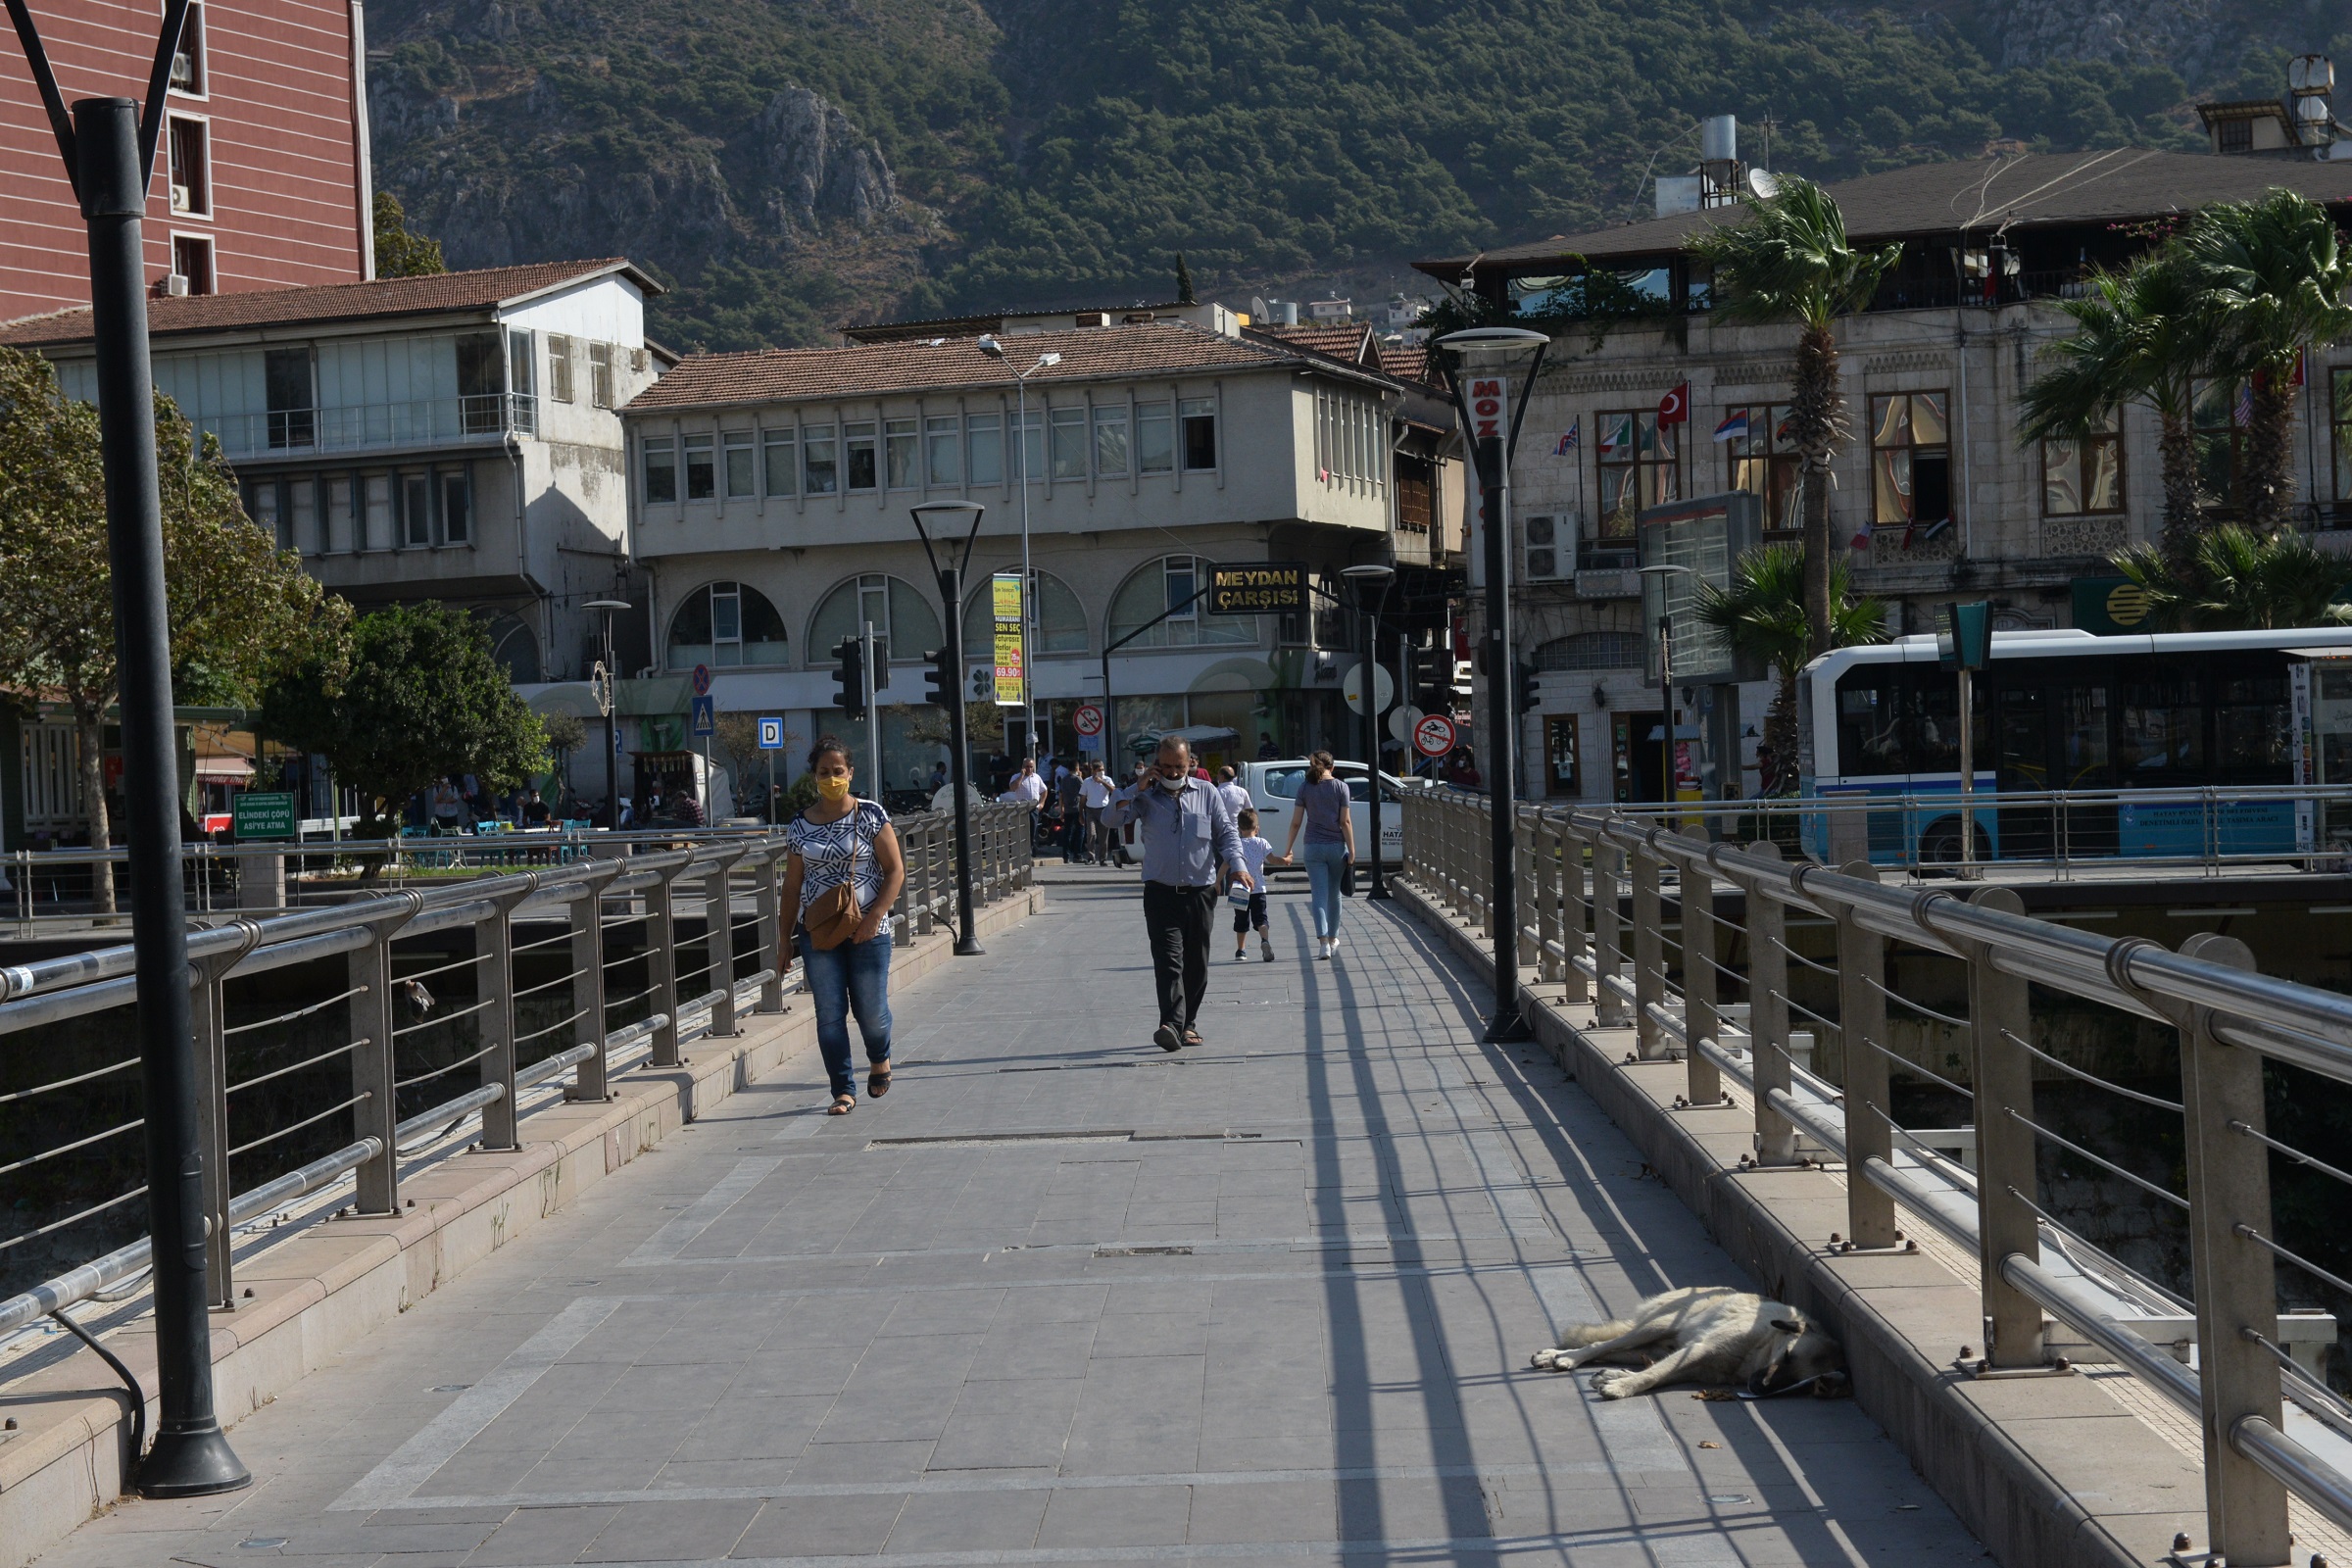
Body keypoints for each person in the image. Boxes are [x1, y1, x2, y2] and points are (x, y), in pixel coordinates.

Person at [780, 736, 906, 1115]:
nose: (831, 778)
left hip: (868, 930)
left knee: (870, 1010)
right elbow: (791, 887)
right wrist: (783, 940)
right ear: (814, 776)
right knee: (830, 1013)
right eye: (824, 772)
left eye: (838, 771)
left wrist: (874, 918)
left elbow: (895, 870)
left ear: (850, 773)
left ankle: (879, 1058)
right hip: (818, 932)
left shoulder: (870, 814)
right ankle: (843, 1090)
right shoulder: (800, 826)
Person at [1102, 736, 1252, 1052]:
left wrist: (1238, 866)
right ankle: (1170, 1023)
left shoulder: (1208, 793)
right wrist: (1135, 788)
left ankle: (1188, 1024)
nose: (1172, 773)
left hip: (1200, 891)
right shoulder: (1145, 796)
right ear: (1157, 764)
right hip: (1160, 892)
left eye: (1179, 767)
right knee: (1169, 962)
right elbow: (1110, 819)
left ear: (1190, 765)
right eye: (1166, 766)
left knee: (1196, 963)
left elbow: (1225, 834)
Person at [1278, 750, 1355, 960]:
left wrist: (1288, 848)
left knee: (1318, 894)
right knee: (1334, 893)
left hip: (1312, 846)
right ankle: (1333, 938)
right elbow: (1345, 822)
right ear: (1333, 766)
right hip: (1336, 846)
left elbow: (1296, 822)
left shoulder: (1305, 788)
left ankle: (1323, 945)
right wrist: (1352, 849)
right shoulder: (1341, 787)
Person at [1227, 807, 1285, 962]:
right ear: (1257, 828)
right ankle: (1265, 941)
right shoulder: (1261, 842)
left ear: (1239, 829)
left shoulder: (1236, 844)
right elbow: (1272, 860)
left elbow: (1226, 864)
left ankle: (1241, 950)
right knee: (1261, 919)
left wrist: (1218, 881)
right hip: (1258, 889)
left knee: (1241, 921)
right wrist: (1285, 861)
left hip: (1239, 889)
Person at [1080, 760, 1113, 864]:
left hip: (1104, 809)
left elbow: (1113, 790)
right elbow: (1083, 798)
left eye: (1103, 770)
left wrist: (1102, 782)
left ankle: (1103, 858)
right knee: (1091, 833)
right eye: (1099, 770)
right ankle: (1091, 857)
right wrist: (1080, 813)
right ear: (1093, 771)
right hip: (1090, 810)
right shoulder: (1087, 782)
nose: (1101, 772)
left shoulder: (1107, 780)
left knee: (1103, 836)